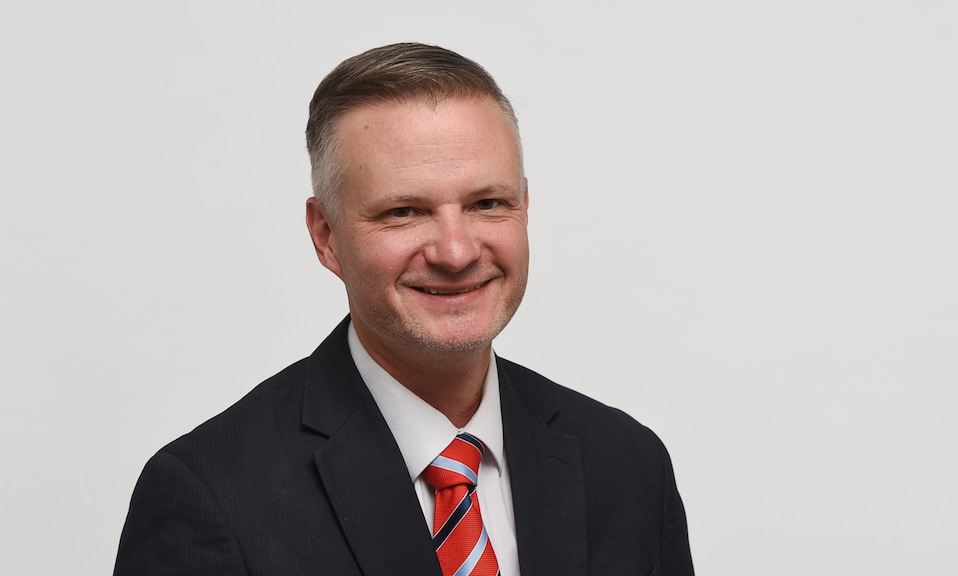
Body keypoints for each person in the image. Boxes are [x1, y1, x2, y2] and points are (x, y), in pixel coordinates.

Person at [114, 42, 695, 576]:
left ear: (525, 205)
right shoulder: (209, 495)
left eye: (487, 203)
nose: (456, 252)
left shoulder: (628, 464)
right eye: (404, 212)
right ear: (325, 236)